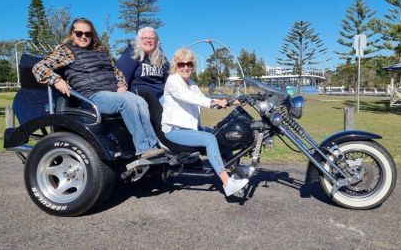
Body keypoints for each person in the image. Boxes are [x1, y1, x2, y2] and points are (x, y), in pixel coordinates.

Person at [32, 18, 163, 159]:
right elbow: (38, 67)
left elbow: (116, 72)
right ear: (72, 34)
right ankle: (144, 149)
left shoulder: (101, 51)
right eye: (79, 33)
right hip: (91, 97)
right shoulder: (66, 51)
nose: (84, 36)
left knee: (140, 101)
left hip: (112, 94)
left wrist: (121, 86)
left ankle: (153, 147)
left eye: (88, 34)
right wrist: (57, 80)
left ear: (92, 35)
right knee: (128, 101)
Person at [161, 48, 249, 197]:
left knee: (220, 133)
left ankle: (236, 170)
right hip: (174, 131)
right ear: (176, 65)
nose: (186, 67)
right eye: (181, 64)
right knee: (209, 138)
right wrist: (212, 102)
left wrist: (230, 101)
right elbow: (189, 98)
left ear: (193, 66)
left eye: (189, 64)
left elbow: (204, 98)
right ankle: (227, 183)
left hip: (191, 129)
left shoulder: (192, 83)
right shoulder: (173, 80)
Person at [115, 27, 169, 98]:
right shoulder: (132, 54)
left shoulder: (162, 58)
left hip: (160, 97)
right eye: (145, 38)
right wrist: (122, 92)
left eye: (152, 38)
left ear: (156, 41)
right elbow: (120, 76)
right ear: (139, 40)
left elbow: (169, 79)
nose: (148, 41)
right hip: (138, 98)